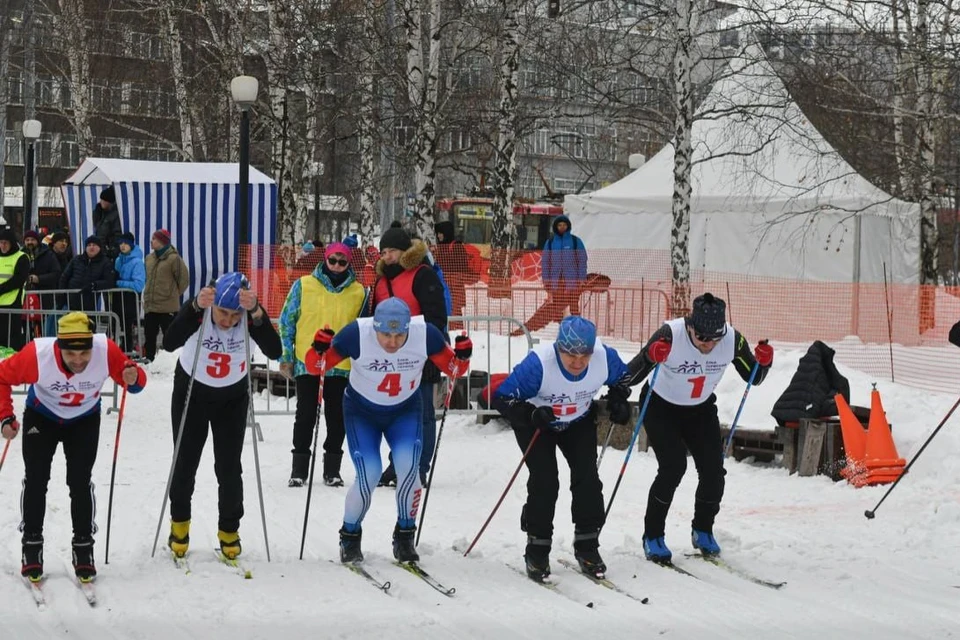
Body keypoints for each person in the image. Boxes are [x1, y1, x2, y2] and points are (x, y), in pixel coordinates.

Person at [310, 297, 471, 564]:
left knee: (410, 468)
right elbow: (317, 366)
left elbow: (453, 369)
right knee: (370, 472)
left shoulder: (424, 334)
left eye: (399, 334)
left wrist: (463, 356)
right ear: (376, 327)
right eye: (385, 334)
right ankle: (349, 536)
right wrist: (318, 348)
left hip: (404, 411)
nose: (393, 341)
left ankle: (405, 536)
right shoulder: (358, 333)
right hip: (362, 412)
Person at [622, 292, 773, 562]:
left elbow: (754, 377)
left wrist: (765, 361)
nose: (707, 345)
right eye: (701, 338)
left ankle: (703, 529)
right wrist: (650, 357)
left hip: (700, 409)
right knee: (673, 467)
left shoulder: (732, 340)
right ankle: (653, 535)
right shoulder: (670, 334)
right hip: (661, 406)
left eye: (714, 339)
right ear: (690, 326)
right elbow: (630, 375)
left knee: (714, 470)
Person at [0, 312, 146, 582]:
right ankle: (31, 546)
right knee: (35, 480)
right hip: (42, 416)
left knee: (80, 482)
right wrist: (5, 417)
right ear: (59, 347)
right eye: (71, 355)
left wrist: (133, 376)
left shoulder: (105, 350)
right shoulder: (37, 354)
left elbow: (136, 383)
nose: (79, 361)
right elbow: (2, 377)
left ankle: (83, 547)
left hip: (84, 419)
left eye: (84, 354)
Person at [492, 315, 632, 581]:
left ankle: (588, 545)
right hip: (538, 424)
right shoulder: (539, 364)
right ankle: (537, 548)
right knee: (546, 481)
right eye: (571, 356)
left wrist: (618, 399)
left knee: (587, 478)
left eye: (584, 356)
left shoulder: (603, 357)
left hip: (578, 421)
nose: (578, 363)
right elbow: (502, 398)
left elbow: (624, 378)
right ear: (559, 348)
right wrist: (530, 414)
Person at [162, 273, 282, 560]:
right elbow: (169, 342)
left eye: (234, 315)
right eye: (222, 313)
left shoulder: (250, 319)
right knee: (185, 460)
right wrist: (193, 307)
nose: (228, 321)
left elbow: (275, 350)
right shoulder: (200, 314)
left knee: (229, 466)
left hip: (232, 396)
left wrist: (256, 312)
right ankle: (180, 524)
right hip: (192, 391)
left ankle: (229, 530)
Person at [278, 242, 368, 487]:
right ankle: (299, 468)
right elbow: (287, 322)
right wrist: (285, 357)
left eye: (343, 262)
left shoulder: (359, 291)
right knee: (306, 415)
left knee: (337, 417)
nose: (337, 266)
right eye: (333, 260)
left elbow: (363, 330)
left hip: (342, 365)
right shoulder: (304, 285)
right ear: (325, 259)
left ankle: (332, 469)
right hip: (309, 362)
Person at [372, 223, 448, 487]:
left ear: (405, 251)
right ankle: (398, 463)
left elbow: (437, 318)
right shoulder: (381, 281)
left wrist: (429, 352)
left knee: (422, 413)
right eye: (383, 252)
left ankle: (419, 466)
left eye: (392, 250)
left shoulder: (423, 275)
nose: (387, 256)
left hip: (422, 355)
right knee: (396, 415)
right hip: (390, 357)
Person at [513, 215, 587, 336]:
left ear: (568, 226)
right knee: (556, 307)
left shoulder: (575, 241)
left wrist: (581, 278)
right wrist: (546, 280)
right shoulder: (551, 242)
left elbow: (582, 261)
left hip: (572, 282)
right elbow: (545, 262)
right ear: (555, 227)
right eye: (559, 225)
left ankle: (576, 332)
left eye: (564, 225)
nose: (562, 227)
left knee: (574, 307)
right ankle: (557, 331)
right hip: (556, 282)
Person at [142, 229, 190, 362]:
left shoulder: (174, 258)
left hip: (168, 307)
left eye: (154, 239)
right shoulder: (149, 258)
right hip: (151, 305)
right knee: (149, 335)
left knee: (170, 336)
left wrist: (172, 294)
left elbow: (184, 280)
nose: (151, 241)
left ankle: (172, 361)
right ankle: (149, 359)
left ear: (163, 241)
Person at [432, 221, 473, 330]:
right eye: (438, 233)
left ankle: (456, 331)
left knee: (454, 311)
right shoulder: (441, 247)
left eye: (440, 233)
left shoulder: (456, 247)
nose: (438, 236)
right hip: (445, 284)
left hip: (454, 286)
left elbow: (462, 267)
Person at [110, 232, 146, 353]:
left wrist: (119, 283)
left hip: (129, 300)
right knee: (114, 326)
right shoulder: (118, 260)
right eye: (121, 243)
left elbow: (138, 285)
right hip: (117, 298)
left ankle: (127, 353)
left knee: (127, 329)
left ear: (131, 244)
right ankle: (115, 351)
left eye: (125, 243)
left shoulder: (137, 262)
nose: (122, 246)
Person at [60, 236, 115, 312]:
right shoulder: (76, 259)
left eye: (94, 245)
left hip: (90, 303)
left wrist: (94, 285)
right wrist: (61, 295)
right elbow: (64, 277)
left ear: (99, 247)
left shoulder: (105, 262)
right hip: (71, 301)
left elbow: (110, 281)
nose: (91, 247)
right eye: (89, 245)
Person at [0, 229, 30, 350]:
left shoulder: (21, 257)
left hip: (12, 303)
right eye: (1, 242)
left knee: (11, 337)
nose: (3, 245)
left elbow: (18, 280)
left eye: (5, 243)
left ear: (12, 243)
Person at [92, 187, 123, 259]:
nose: (101, 201)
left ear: (110, 201)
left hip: (108, 252)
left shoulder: (115, 215)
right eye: (101, 199)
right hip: (101, 250)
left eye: (104, 200)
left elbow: (117, 234)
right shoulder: (101, 213)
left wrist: (111, 251)